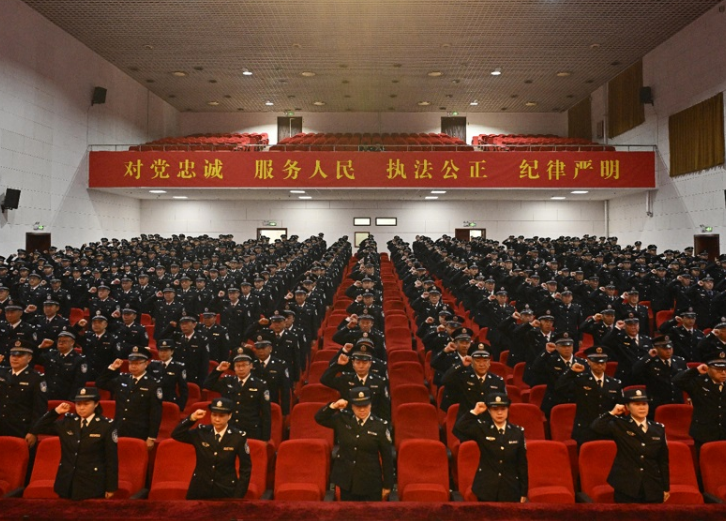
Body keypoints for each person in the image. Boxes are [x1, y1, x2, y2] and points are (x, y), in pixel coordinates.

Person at [31, 387, 118, 500]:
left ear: (96, 404)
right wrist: (55, 412)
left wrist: (111, 487)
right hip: (66, 483)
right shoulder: (68, 422)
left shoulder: (106, 426)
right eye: (78, 404)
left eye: (86, 404)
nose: (81, 408)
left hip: (92, 485)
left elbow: (111, 459)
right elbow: (37, 428)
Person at [590, 389, 670, 503]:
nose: (642, 408)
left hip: (652, 485)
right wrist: (612, 413)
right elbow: (596, 427)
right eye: (637, 404)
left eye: (644, 404)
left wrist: (666, 487)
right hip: (626, 485)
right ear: (627, 407)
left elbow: (663, 460)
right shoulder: (620, 424)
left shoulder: (658, 428)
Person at [314, 387, 394, 501]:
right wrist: (334, 406)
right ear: (352, 406)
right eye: (358, 406)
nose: (362, 410)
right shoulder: (343, 420)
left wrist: (387, 485)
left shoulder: (380, 426)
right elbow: (319, 418)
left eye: (365, 406)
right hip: (347, 482)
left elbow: (387, 458)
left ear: (370, 405)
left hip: (370, 482)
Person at [171, 397, 251, 499]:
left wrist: (238, 496)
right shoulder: (201, 432)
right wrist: (191, 418)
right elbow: (176, 434)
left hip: (225, 489)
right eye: (214, 415)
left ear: (229, 416)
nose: (217, 419)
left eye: (221, 416)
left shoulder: (238, 437)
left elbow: (246, 469)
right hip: (200, 488)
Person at [454, 393, 528, 503]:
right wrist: (475, 412)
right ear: (488, 410)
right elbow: (459, 428)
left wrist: (523, 492)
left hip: (510, 488)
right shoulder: (482, 428)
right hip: (486, 488)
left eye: (503, 409)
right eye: (495, 409)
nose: (499, 413)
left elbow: (522, 464)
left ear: (508, 409)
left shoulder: (517, 432)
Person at [95, 346, 162, 450]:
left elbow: (155, 413)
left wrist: (151, 437)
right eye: (131, 363)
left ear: (146, 364)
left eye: (137, 363)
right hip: (119, 428)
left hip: (139, 431)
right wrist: (112, 368)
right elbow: (100, 383)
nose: (133, 366)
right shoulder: (123, 379)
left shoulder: (153, 384)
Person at [203, 349, 271, 441]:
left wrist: (265, 439)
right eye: (238, 366)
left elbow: (266, 414)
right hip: (229, 429)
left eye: (244, 365)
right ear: (234, 368)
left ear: (251, 366)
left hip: (251, 430)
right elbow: (207, 385)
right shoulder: (228, 381)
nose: (241, 369)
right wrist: (218, 370)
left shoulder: (260, 385)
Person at [672, 353, 726, 450]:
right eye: (718, 370)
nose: (723, 373)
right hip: (704, 433)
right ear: (708, 369)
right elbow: (677, 381)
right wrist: (695, 371)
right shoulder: (698, 382)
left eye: (725, 369)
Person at [0, 340, 48, 446]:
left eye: (20, 355)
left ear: (29, 358)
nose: (15, 358)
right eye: (13, 355)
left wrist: (33, 431)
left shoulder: (36, 378)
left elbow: (39, 409)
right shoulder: (2, 373)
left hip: (20, 428)